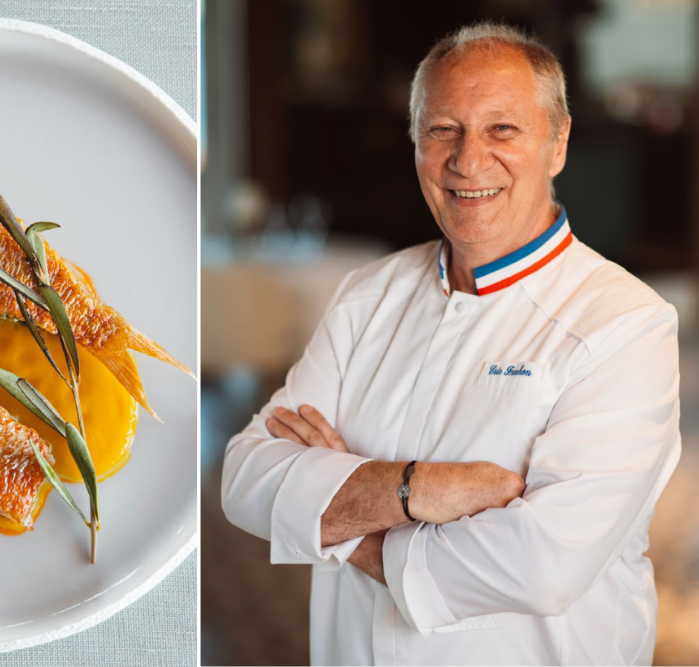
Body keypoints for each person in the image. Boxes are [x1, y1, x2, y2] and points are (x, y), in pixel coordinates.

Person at [220, 22, 681, 666]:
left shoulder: (625, 323)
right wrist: (421, 489)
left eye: (502, 129)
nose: (467, 160)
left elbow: (540, 566)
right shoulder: (367, 293)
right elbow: (244, 478)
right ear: (415, 142)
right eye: (443, 129)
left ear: (558, 142)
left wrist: (341, 520)